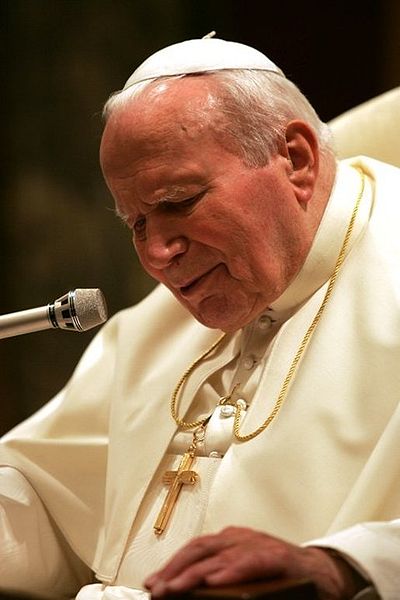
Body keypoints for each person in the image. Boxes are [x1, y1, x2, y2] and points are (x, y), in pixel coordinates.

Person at [0, 35, 399, 600]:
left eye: (179, 202)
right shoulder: (159, 324)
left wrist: (341, 564)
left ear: (296, 160)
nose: (157, 255)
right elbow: (47, 500)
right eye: (137, 223)